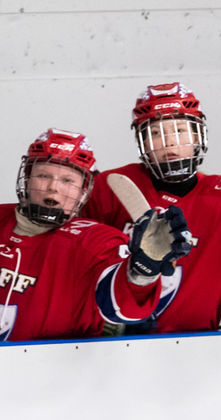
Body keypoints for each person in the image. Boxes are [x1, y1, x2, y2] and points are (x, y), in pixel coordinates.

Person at [83, 82, 221, 333]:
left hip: (194, 352)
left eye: (179, 130)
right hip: (102, 348)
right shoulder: (109, 188)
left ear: (198, 135)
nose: (169, 144)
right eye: (155, 133)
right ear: (141, 141)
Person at [0, 128, 187, 342]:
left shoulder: (98, 240)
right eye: (43, 175)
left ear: (84, 190)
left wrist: (144, 269)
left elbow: (123, 311)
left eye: (67, 181)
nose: (53, 188)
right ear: (27, 178)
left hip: (56, 369)